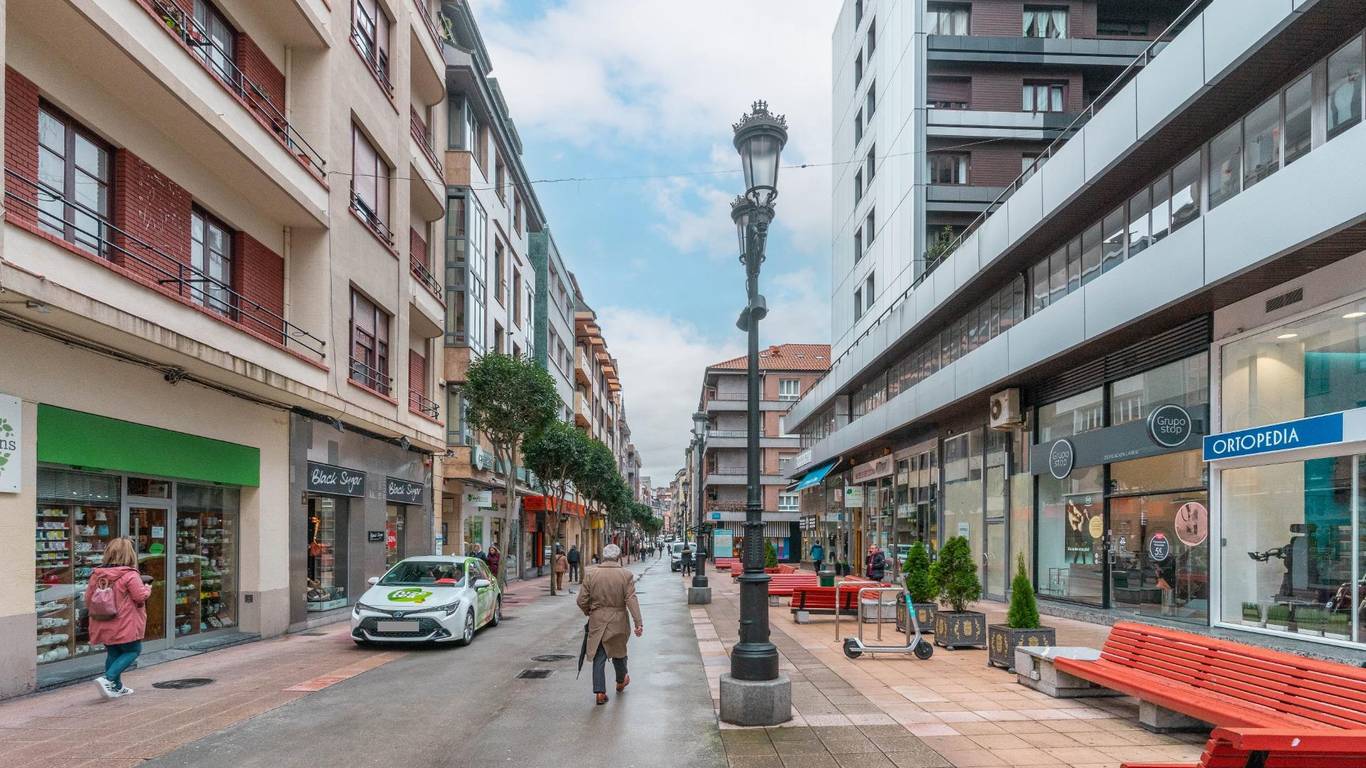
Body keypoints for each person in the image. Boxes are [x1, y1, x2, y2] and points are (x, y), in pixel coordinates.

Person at [86, 537, 152, 699]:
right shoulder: (130, 574)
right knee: (133, 650)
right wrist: (147, 589)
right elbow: (139, 596)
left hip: (102, 620)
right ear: (130, 554)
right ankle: (108, 679)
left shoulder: (96, 574)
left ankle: (116, 687)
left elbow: (88, 599)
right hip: (124, 621)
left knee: (113, 653)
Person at [576, 544, 643, 705]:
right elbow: (631, 599)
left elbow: (581, 600)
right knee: (619, 652)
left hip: (597, 620)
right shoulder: (626, 575)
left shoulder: (591, 574)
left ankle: (600, 692)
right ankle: (621, 681)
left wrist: (589, 611)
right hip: (618, 619)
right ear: (618, 557)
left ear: (603, 556)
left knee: (599, 655)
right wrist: (638, 623)